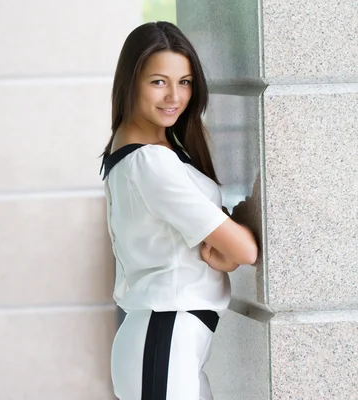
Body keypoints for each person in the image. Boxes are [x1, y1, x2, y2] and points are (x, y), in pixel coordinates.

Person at [100, 21, 258, 400]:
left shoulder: (154, 151)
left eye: (184, 82)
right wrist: (231, 250)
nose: (174, 96)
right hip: (164, 337)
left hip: (171, 340)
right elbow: (245, 251)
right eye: (159, 81)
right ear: (130, 82)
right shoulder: (151, 163)